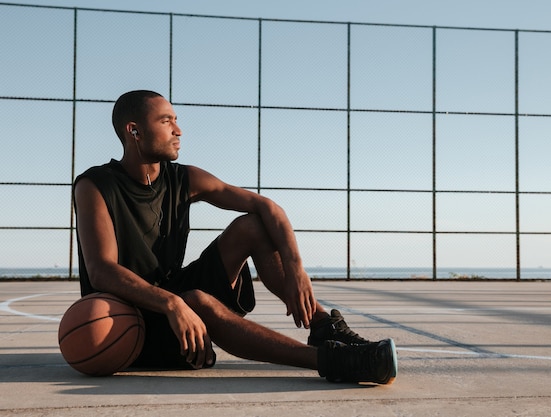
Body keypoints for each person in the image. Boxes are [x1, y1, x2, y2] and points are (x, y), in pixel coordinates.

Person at [73, 90, 397, 384]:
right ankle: (332, 360)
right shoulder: (96, 186)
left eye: (176, 120)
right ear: (134, 131)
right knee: (196, 300)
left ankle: (323, 325)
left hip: (173, 297)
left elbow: (266, 207)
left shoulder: (183, 177)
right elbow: (102, 269)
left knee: (252, 227)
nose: (178, 130)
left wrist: (296, 269)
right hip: (129, 319)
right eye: (166, 121)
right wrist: (171, 303)